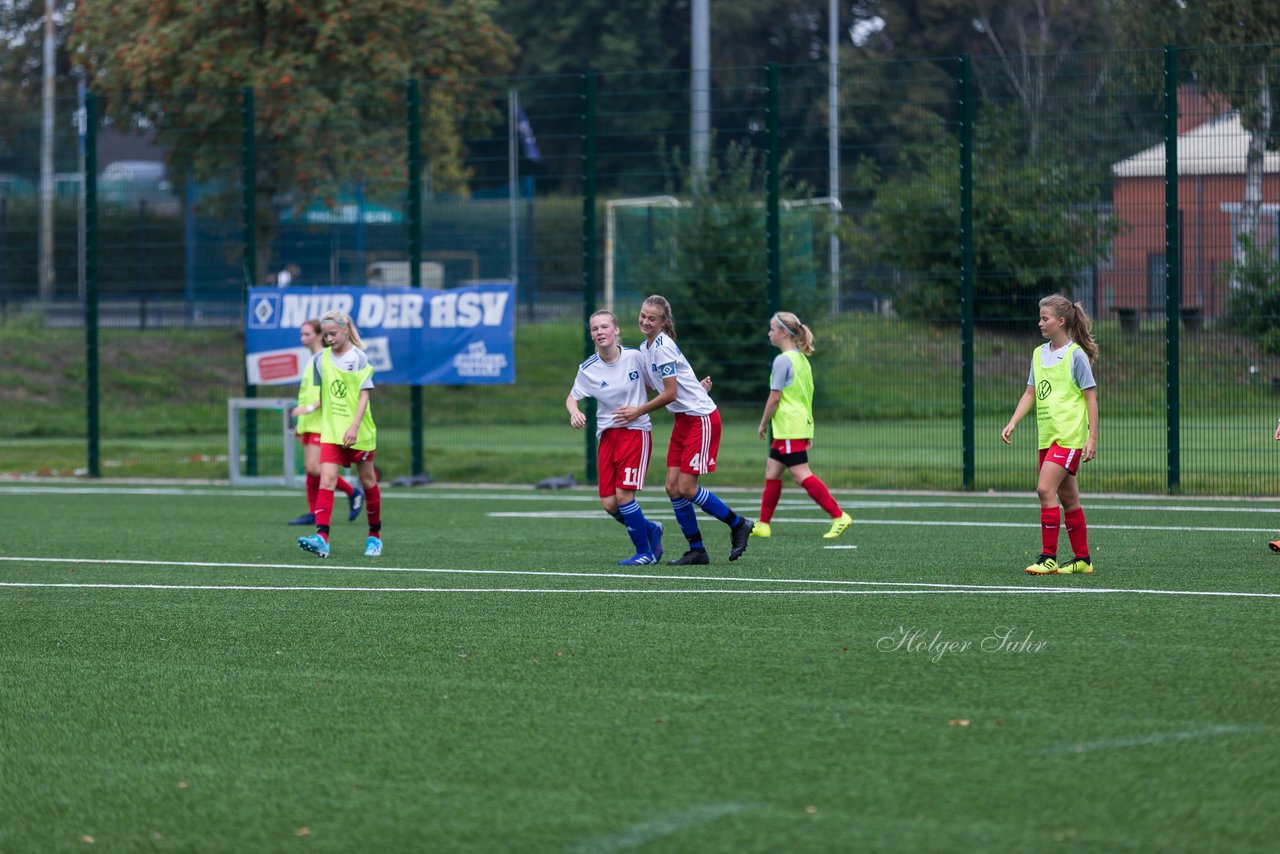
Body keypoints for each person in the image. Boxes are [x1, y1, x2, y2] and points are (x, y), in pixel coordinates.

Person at [616, 294, 754, 564]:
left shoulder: (663, 347)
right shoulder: (647, 348)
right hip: (684, 419)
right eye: (643, 315)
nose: (645, 321)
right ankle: (697, 550)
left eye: (651, 318)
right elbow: (657, 385)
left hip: (700, 419)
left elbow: (669, 393)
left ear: (663, 321)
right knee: (672, 487)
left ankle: (738, 524)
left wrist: (637, 411)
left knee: (687, 488)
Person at [1001, 294, 1099, 575]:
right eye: (1040, 317)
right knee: (1069, 500)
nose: (1040, 323)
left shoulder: (1075, 355)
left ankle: (1048, 557)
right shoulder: (1038, 354)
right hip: (1047, 437)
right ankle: (1083, 560)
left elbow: (1090, 398)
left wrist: (1091, 438)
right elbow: (1030, 392)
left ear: (1061, 321)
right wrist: (1013, 422)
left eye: (1045, 318)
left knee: (1045, 489)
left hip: (1068, 438)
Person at [566, 310, 665, 566]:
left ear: (616, 330)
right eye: (594, 329)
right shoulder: (588, 369)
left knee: (624, 497)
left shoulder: (635, 358)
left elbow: (660, 383)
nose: (599, 332)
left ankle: (645, 552)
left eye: (604, 327)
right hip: (607, 437)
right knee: (610, 504)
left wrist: (693, 389)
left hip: (635, 433)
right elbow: (572, 397)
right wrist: (574, 411)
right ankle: (651, 530)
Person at [751, 311, 853, 540]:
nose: (769, 333)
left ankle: (838, 516)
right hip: (798, 424)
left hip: (789, 426)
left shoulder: (782, 360)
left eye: (772, 329)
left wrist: (763, 423)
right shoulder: (801, 359)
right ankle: (764, 524)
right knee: (773, 470)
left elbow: (775, 397)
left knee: (800, 474)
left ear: (783, 333)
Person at [296, 310, 383, 559]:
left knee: (367, 481)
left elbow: (363, 395)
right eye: (325, 335)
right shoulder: (319, 360)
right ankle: (322, 538)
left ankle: (374, 537)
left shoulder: (358, 358)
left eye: (333, 334)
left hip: (359, 432)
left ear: (346, 330)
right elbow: (323, 395)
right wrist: (318, 424)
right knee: (326, 480)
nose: (329, 339)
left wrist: (353, 427)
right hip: (332, 433)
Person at [287, 319, 364, 526]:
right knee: (309, 469)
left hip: (322, 421)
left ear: (320, 335)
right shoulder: (312, 359)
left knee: (315, 468)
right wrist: (301, 422)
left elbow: (332, 392)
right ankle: (313, 513)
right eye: (301, 334)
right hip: (309, 423)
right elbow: (308, 393)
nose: (303, 338)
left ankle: (353, 491)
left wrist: (310, 409)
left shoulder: (326, 358)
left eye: (307, 334)